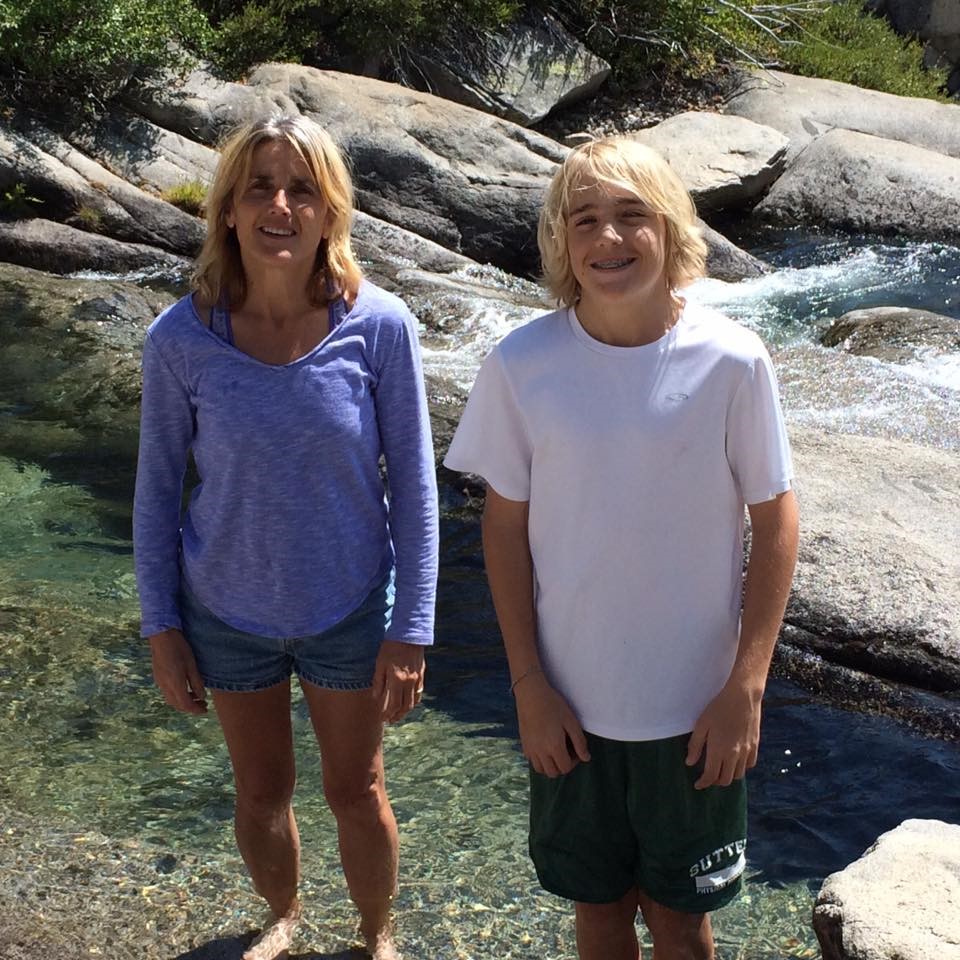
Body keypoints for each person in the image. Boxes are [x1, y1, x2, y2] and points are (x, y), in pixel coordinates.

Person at [443, 137, 799, 960]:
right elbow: (504, 531)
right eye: (587, 220)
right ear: (561, 242)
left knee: (681, 917)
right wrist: (528, 685)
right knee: (598, 911)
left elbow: (776, 523)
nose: (610, 239)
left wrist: (745, 687)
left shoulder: (733, 361)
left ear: (671, 229)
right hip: (568, 710)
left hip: (696, 711)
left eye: (633, 216)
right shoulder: (523, 364)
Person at [133, 114, 438, 960]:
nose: (280, 205)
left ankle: (376, 937)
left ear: (329, 211)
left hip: (346, 608)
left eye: (302, 189)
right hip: (225, 611)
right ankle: (286, 918)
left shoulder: (380, 327)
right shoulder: (179, 339)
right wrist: (162, 628)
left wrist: (411, 627)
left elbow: (416, 491)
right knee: (262, 792)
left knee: (358, 789)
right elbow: (157, 495)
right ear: (227, 209)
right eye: (260, 187)